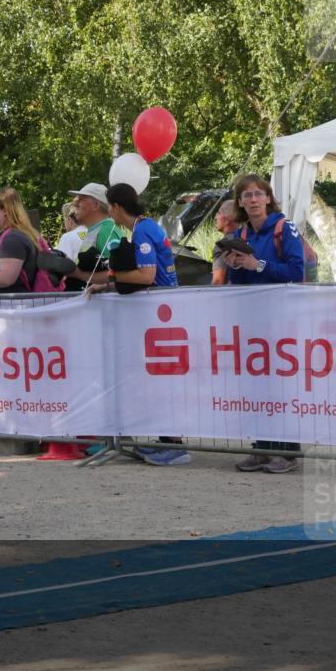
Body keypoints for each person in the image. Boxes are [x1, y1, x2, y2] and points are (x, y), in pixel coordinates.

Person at [89, 183, 187, 466]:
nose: (109, 212)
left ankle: (174, 445)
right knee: (159, 379)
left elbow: (146, 276)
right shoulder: (147, 226)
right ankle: (168, 441)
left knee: (162, 379)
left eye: (109, 207)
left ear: (117, 207)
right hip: (163, 311)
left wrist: (111, 278)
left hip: (161, 313)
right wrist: (109, 285)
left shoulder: (143, 230)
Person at [218, 174, 305, 474]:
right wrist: (235, 265)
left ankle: (288, 452)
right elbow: (241, 281)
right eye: (247, 195)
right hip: (253, 322)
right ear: (240, 202)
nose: (253, 199)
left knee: (281, 386)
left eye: (258, 194)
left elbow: (296, 271)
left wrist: (259, 265)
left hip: (282, 320)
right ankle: (263, 447)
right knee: (256, 385)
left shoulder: (284, 227)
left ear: (268, 198)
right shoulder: (242, 235)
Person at [64, 182, 123, 291]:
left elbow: (118, 273)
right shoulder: (95, 229)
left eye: (81, 199)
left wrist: (79, 274)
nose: (75, 203)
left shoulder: (106, 230)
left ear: (95, 205)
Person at [211, 198, 238, 285]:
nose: (215, 217)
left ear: (227, 220)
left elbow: (218, 282)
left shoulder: (223, 245)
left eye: (219, 213)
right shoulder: (248, 238)